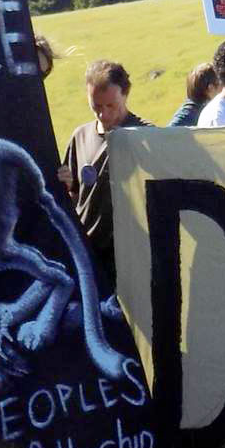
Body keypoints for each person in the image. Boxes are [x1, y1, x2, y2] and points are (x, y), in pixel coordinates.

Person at [57, 61, 147, 283]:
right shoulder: (80, 136)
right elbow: (74, 194)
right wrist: (64, 184)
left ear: (125, 95)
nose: (103, 114)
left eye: (110, 106)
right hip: (87, 258)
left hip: (129, 262)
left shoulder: (146, 138)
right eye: (96, 106)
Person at [168, 62, 219, 128]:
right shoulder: (197, 113)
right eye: (220, 84)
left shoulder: (192, 108)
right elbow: (169, 132)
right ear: (211, 88)